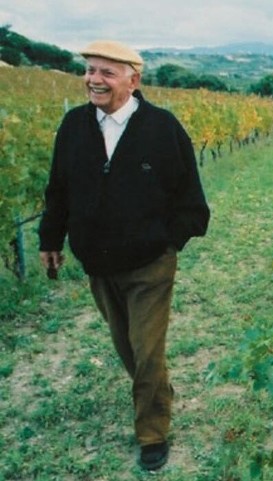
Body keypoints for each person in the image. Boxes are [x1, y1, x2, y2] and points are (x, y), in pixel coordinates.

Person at [38, 40, 210, 471]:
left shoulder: (162, 128)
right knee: (127, 347)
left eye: (106, 72)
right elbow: (58, 189)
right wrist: (51, 239)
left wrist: (166, 241)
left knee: (147, 349)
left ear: (133, 79)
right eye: (90, 70)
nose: (94, 79)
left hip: (150, 264)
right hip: (98, 263)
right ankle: (157, 395)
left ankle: (152, 433)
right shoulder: (74, 126)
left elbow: (192, 201)